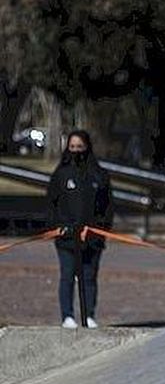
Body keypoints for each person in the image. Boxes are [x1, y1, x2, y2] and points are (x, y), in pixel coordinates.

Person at [46, 130, 114, 329]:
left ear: (87, 148)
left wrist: (99, 229)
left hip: (92, 238)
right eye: (72, 147)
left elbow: (108, 206)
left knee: (89, 277)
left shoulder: (99, 175)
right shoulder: (61, 175)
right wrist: (59, 227)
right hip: (66, 239)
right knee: (67, 275)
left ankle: (89, 315)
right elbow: (52, 204)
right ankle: (67, 315)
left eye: (80, 147)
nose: (76, 151)